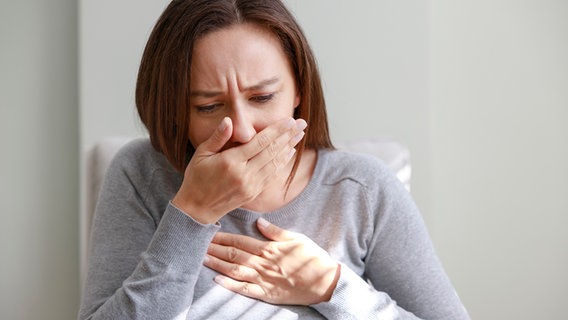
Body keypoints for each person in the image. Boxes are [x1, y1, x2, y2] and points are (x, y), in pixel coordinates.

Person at [79, 0, 470, 319]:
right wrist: (192, 212)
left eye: (263, 98)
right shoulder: (140, 174)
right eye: (209, 106)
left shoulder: (362, 190)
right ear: (176, 110)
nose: (244, 131)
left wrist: (331, 286)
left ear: (299, 87)